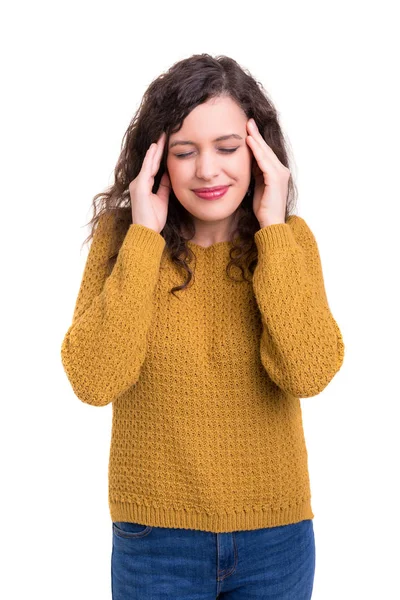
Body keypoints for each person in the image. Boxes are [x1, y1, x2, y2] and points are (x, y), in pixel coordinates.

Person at [60, 53, 345, 599]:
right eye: (185, 152)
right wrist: (143, 238)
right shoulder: (124, 243)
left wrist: (273, 229)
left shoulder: (289, 243)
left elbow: (309, 372)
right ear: (157, 162)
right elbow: (94, 380)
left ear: (260, 153)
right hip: (155, 540)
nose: (207, 170)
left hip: (276, 536)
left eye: (228, 148)